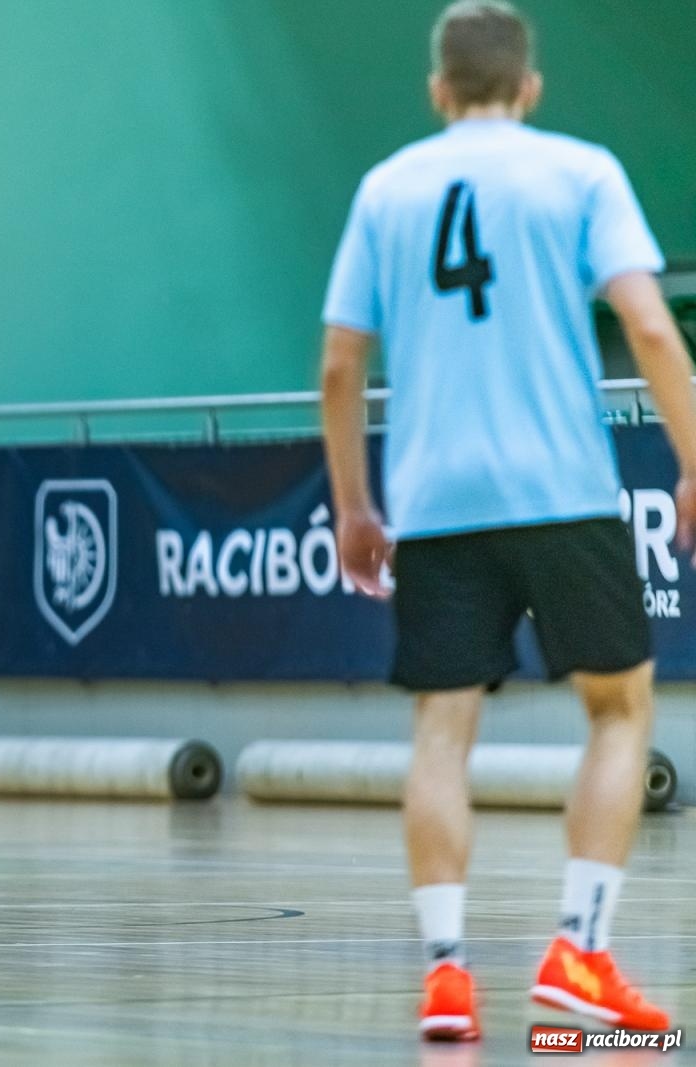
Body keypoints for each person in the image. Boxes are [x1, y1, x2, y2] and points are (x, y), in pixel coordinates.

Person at [320, 0, 693, 1042]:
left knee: (442, 729)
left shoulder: (385, 187)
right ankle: (580, 948)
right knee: (618, 710)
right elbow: (652, 326)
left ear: (438, 90)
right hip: (561, 488)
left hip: (437, 503)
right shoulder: (580, 171)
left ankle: (446, 973)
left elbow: (339, 361)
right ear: (528, 87)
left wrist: (354, 503)